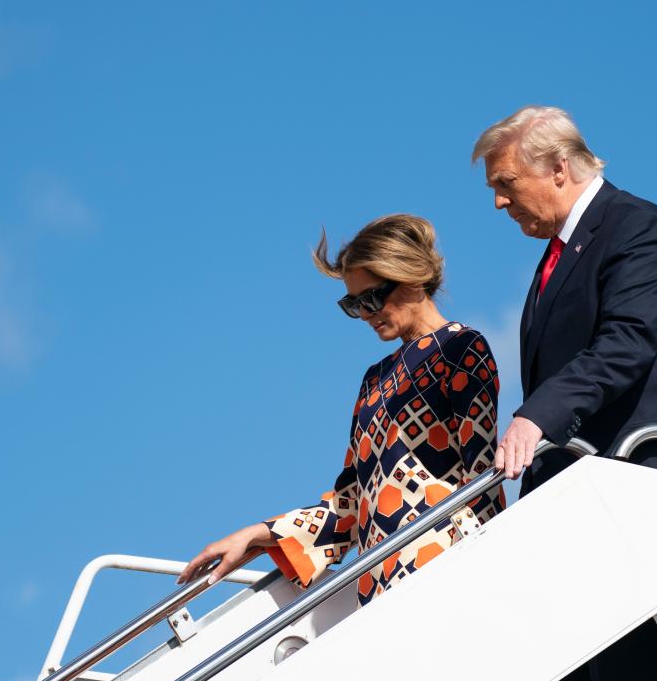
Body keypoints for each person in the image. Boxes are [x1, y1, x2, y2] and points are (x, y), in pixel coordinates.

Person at [472, 105, 657, 681]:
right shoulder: (555, 257)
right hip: (577, 516)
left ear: (559, 168)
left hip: (644, 501)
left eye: (506, 184)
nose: (497, 203)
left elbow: (627, 342)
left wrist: (535, 416)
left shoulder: (636, 228)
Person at [177, 214, 504, 608]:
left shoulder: (461, 348)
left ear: (413, 277)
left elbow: (483, 475)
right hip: (380, 582)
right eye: (353, 304)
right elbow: (351, 502)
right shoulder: (374, 380)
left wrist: (487, 571)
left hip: (446, 569)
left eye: (371, 298)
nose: (365, 313)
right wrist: (256, 534)